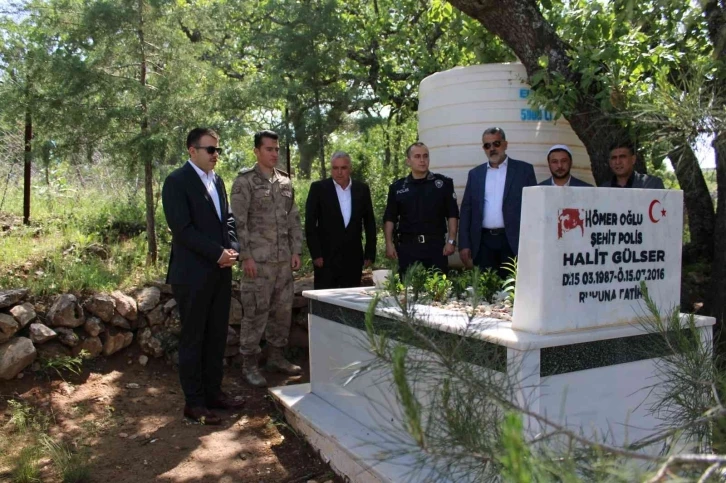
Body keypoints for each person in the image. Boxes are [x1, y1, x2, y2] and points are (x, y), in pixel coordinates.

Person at [162, 127, 245, 425]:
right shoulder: (176, 182)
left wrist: (232, 249)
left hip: (220, 271)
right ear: (191, 150)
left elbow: (229, 221)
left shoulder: (218, 181)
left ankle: (214, 394)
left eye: (217, 150)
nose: (215, 155)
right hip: (192, 274)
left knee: (216, 336)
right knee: (194, 338)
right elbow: (182, 230)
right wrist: (216, 253)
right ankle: (194, 403)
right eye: (210, 150)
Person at [230, 130, 304, 388]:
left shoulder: (284, 182)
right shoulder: (244, 182)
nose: (274, 154)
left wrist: (296, 251)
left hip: (283, 261)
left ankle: (276, 357)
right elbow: (238, 224)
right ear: (257, 151)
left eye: (276, 149)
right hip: (257, 264)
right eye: (269, 149)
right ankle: (249, 363)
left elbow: (293, 219)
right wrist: (245, 256)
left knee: (282, 312)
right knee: (255, 313)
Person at [458, 127, 537, 278]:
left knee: (512, 290)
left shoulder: (523, 170)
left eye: (496, 143)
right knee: (486, 292)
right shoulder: (475, 174)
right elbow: (467, 210)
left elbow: (533, 209)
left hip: (512, 241)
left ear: (505, 144)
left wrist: (531, 243)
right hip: (483, 242)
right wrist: (464, 244)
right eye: (487, 146)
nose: (492, 149)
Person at [383, 142, 459, 276]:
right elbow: (390, 218)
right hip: (408, 247)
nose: (422, 160)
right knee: (407, 291)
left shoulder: (442, 184)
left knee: (438, 291)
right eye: (417, 156)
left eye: (425, 156)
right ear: (408, 161)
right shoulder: (398, 187)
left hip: (435, 247)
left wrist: (451, 241)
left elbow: (452, 214)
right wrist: (389, 243)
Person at [305, 151, 377, 289]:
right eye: (335, 168)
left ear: (350, 168)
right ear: (331, 169)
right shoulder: (318, 188)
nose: (339, 172)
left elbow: (369, 222)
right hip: (326, 258)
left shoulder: (361, 189)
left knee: (351, 300)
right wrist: (316, 254)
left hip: (353, 256)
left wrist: (370, 252)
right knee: (325, 301)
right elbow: (310, 224)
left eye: (343, 168)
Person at [601, 140, 665, 189]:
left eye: (622, 157)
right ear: (610, 162)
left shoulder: (652, 184)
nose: (618, 162)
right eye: (614, 158)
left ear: (633, 159)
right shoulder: (603, 189)